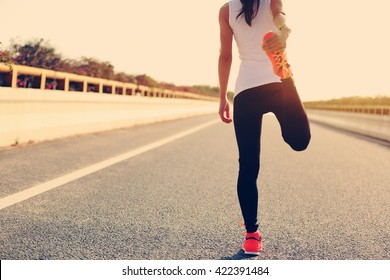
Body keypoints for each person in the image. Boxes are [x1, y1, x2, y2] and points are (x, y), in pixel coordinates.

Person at [218, 0, 311, 255]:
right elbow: (280, 17)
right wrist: (283, 33)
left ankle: (251, 236)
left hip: (246, 91)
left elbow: (225, 56)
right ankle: (284, 70)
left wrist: (223, 97)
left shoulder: (226, 10)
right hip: (278, 84)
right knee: (300, 140)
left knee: (248, 165)